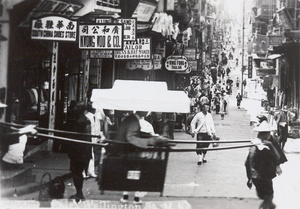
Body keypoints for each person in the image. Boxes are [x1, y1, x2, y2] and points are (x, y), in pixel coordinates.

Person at [109, 111, 170, 204]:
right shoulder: (134, 121)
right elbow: (131, 137)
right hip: (128, 151)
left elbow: (135, 133)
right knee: (138, 171)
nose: (147, 112)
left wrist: (151, 137)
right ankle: (135, 197)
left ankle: (126, 196)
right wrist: (151, 140)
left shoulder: (131, 119)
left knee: (130, 172)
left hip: (124, 150)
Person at [245, 121, 286, 209]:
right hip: (263, 176)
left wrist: (249, 178)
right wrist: (271, 146)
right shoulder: (265, 147)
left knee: (266, 198)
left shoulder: (254, 145)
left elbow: (247, 163)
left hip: (255, 177)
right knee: (269, 196)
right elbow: (276, 158)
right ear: (267, 134)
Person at [68, 101, 92, 202]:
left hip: (80, 151)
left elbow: (79, 138)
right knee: (77, 172)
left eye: (77, 107)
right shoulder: (84, 120)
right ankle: (79, 193)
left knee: (76, 172)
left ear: (81, 109)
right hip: (83, 150)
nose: (74, 109)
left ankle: (79, 193)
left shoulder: (81, 121)